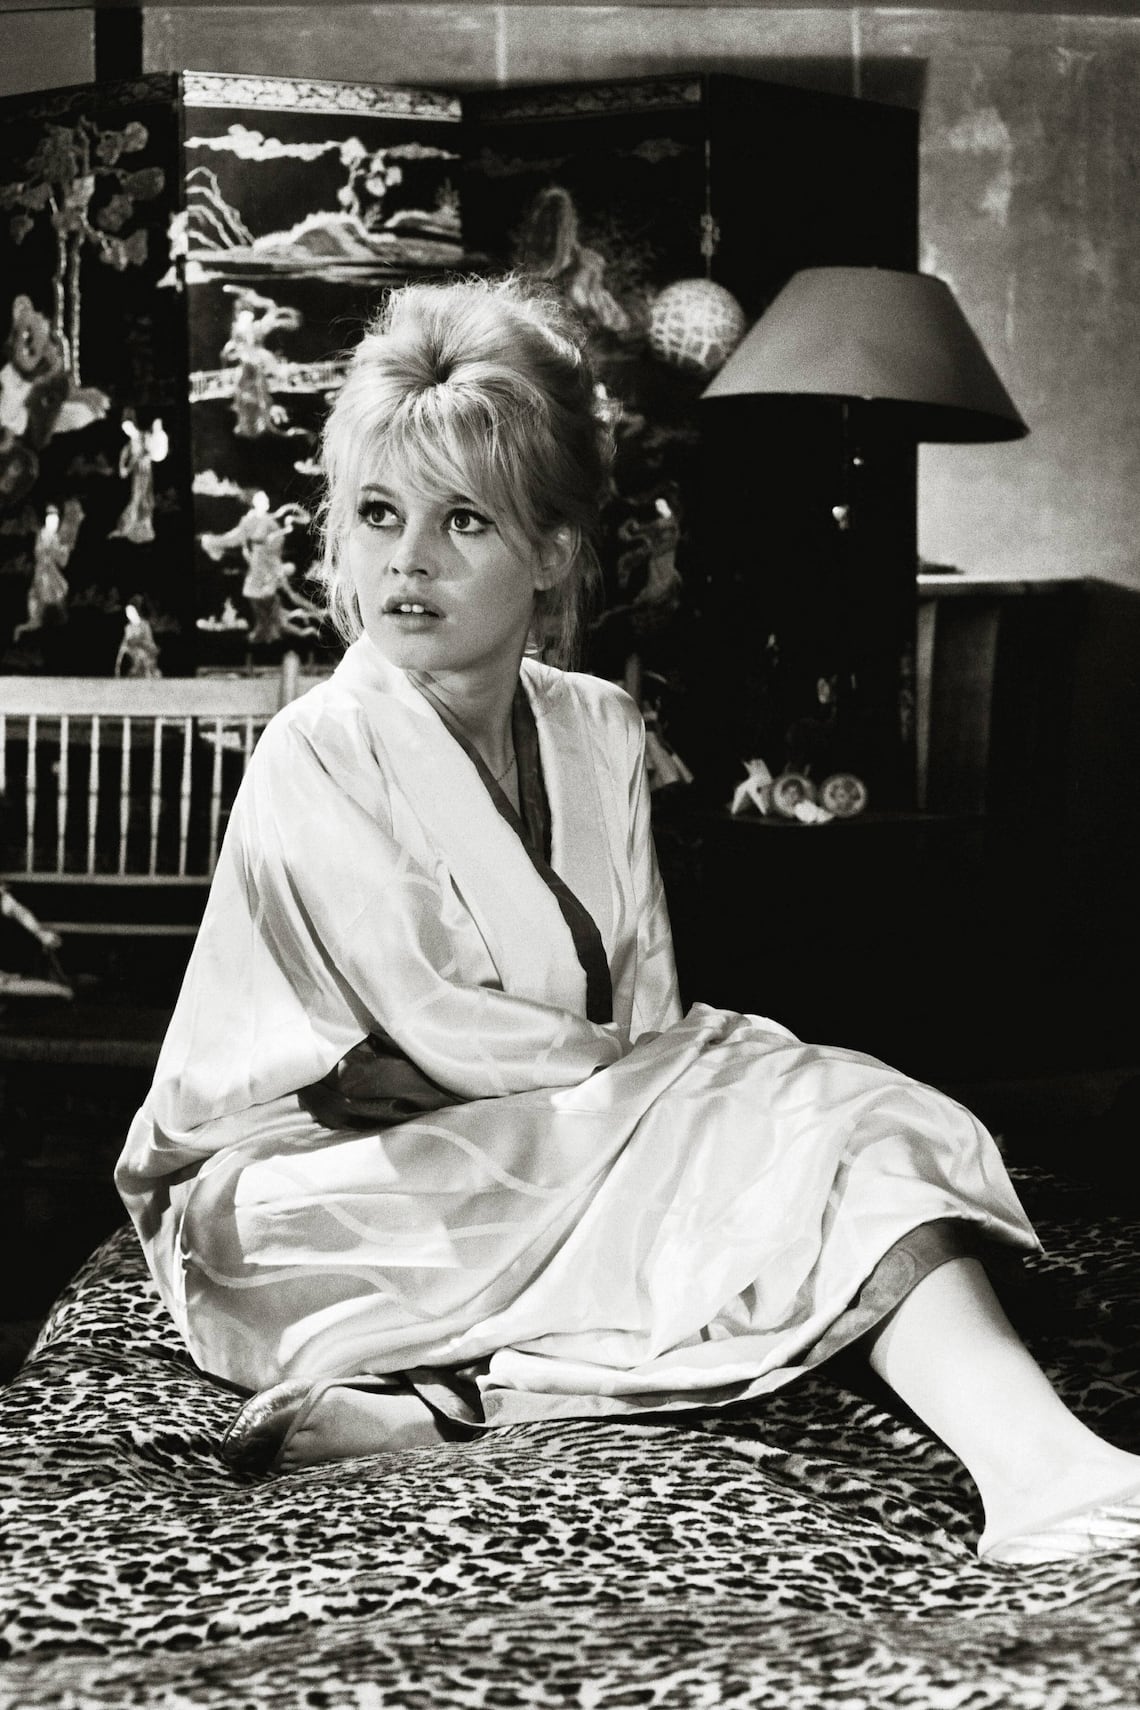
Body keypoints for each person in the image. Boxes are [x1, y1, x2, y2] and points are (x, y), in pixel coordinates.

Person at [116, 277, 1140, 1568]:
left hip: (549, 1136)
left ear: (552, 551)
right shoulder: (314, 753)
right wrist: (697, 1085)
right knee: (784, 1113)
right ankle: (477, 1388)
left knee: (809, 1121)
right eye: (378, 513)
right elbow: (436, 1031)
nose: (406, 560)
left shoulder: (599, 727)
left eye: (462, 519)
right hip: (327, 1196)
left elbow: (645, 1002)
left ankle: (1042, 1466)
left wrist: (686, 1081)